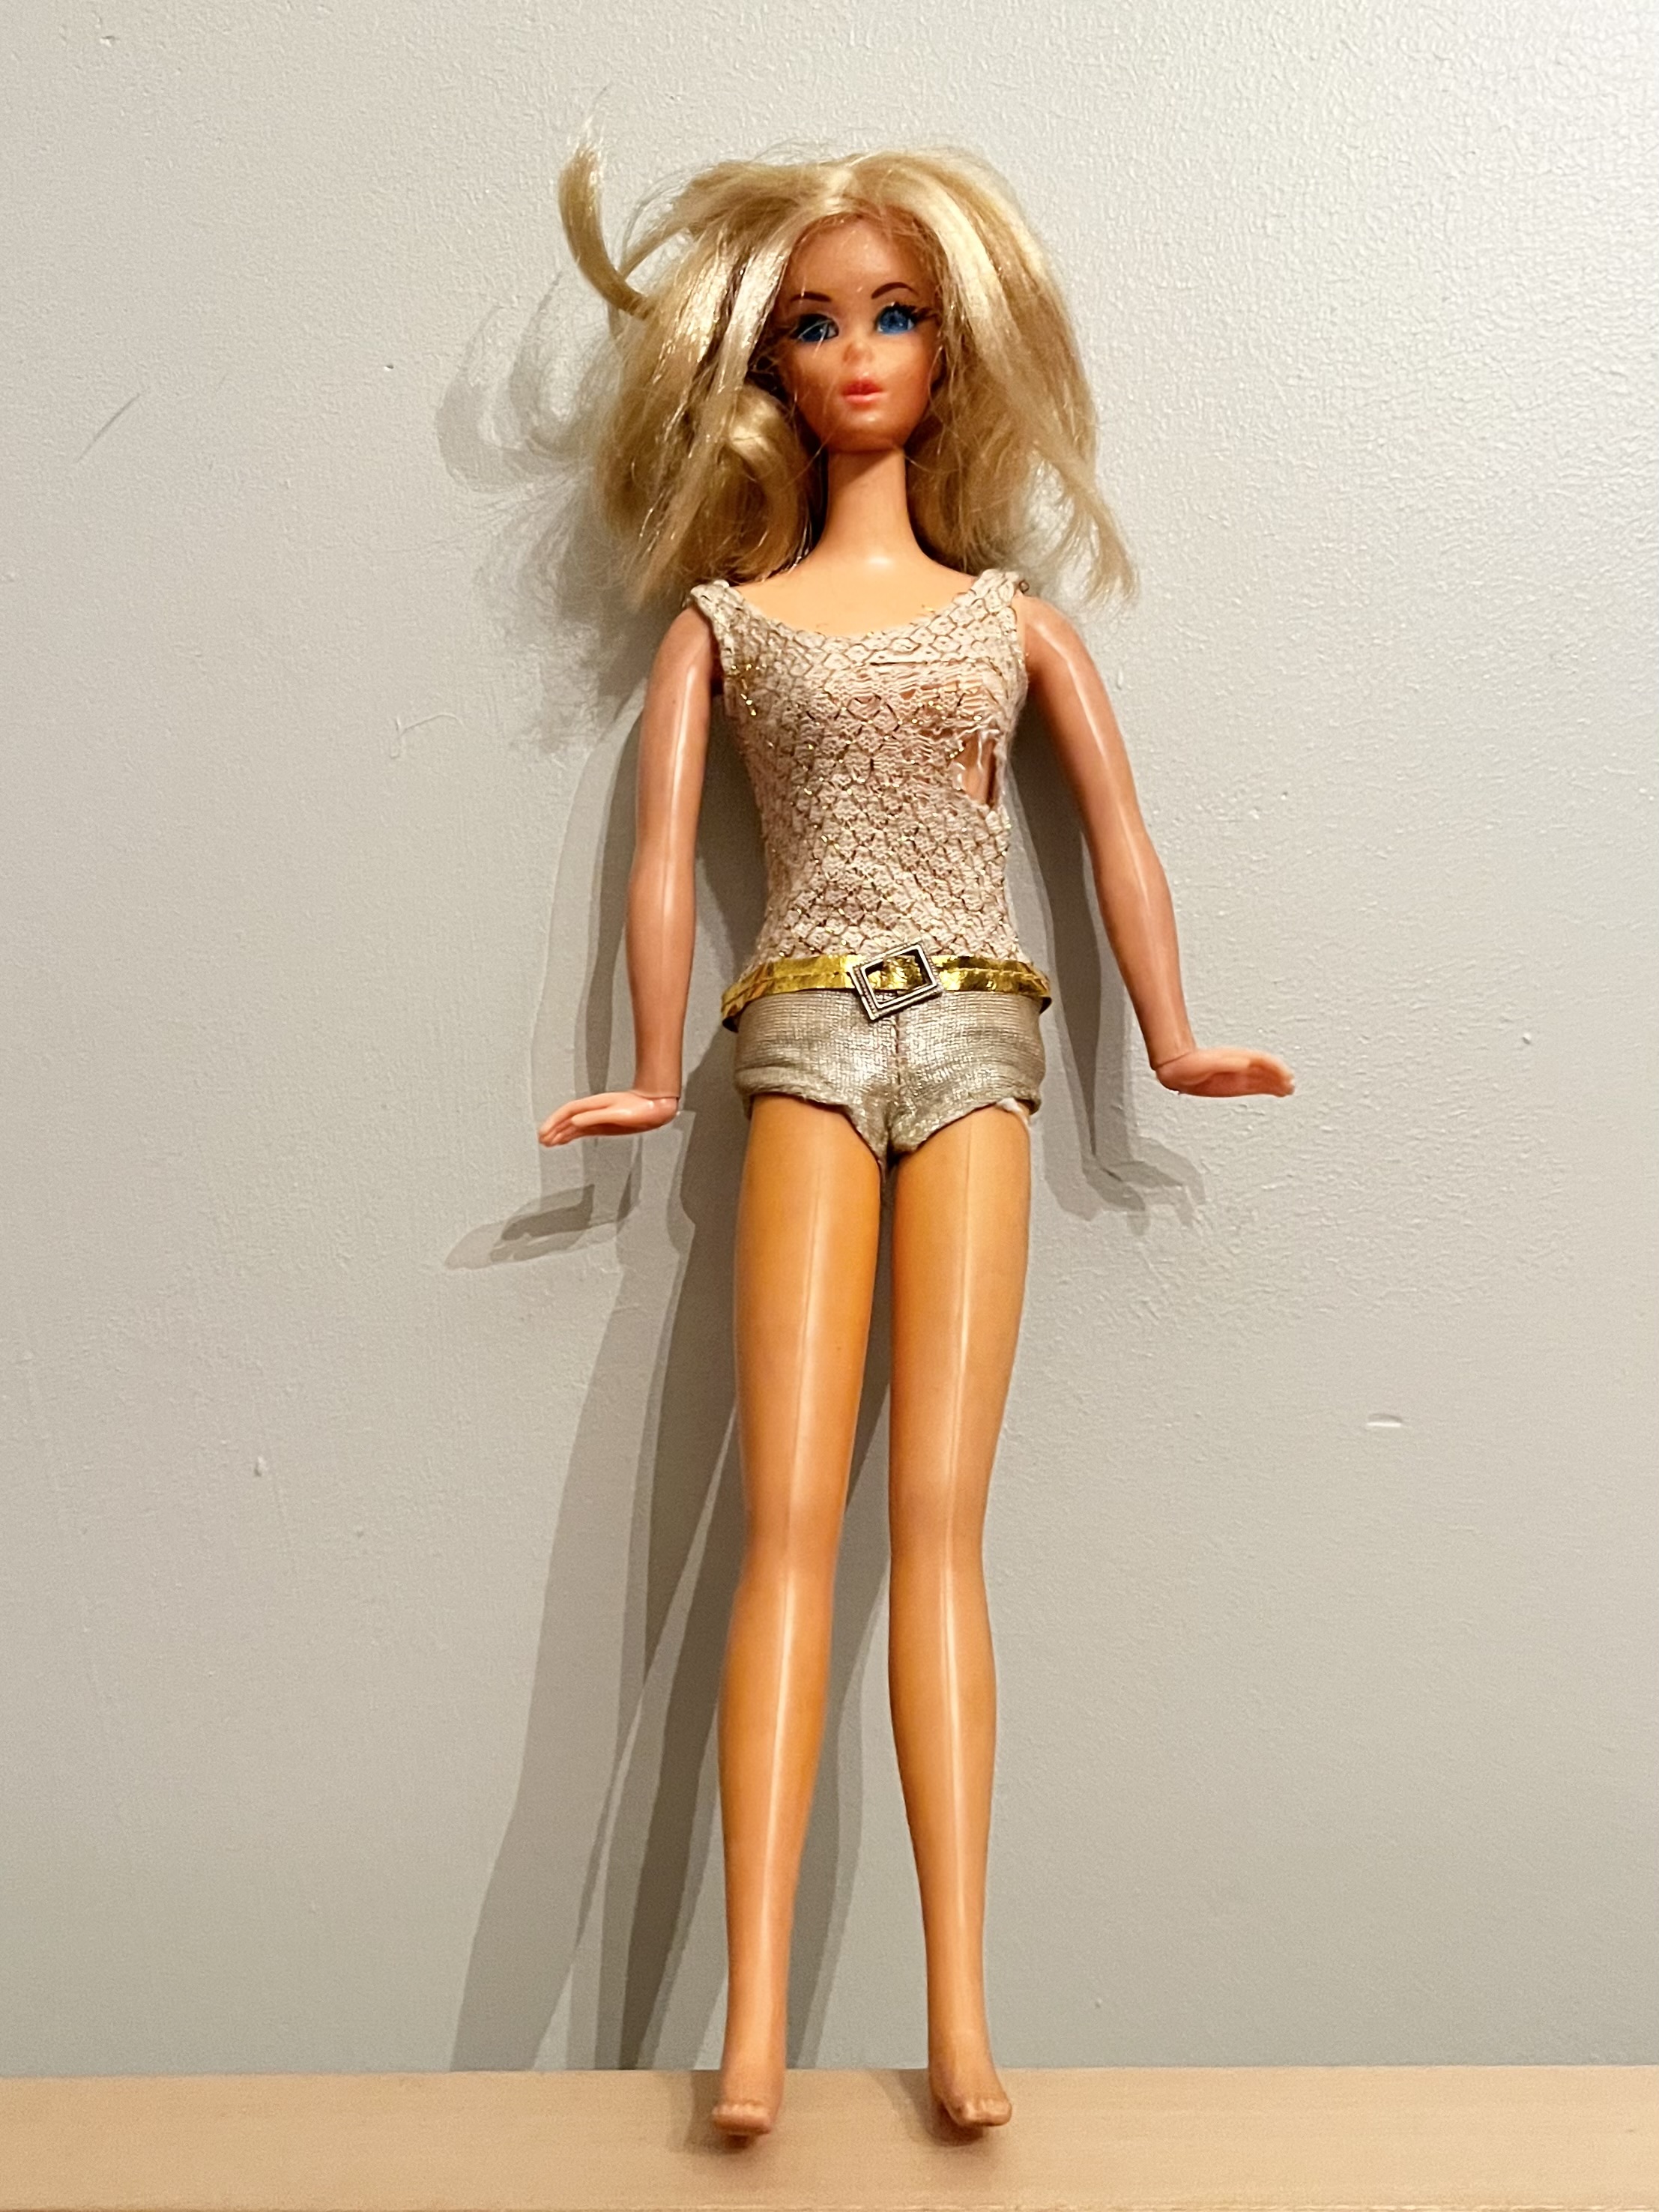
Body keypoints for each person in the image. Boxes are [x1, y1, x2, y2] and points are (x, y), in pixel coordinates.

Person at [537, 143, 1293, 2136]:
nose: (858, 354)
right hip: (795, 1037)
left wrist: (1177, 1038)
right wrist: (646, 1064)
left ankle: (960, 2012)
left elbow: (1119, 839)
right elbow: (660, 860)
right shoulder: (726, 626)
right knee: (787, 1529)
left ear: (959, 350)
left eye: (896, 317)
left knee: (938, 1531)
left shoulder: (1010, 624)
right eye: (816, 322)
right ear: (763, 363)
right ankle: (755, 2024)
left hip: (978, 1040)